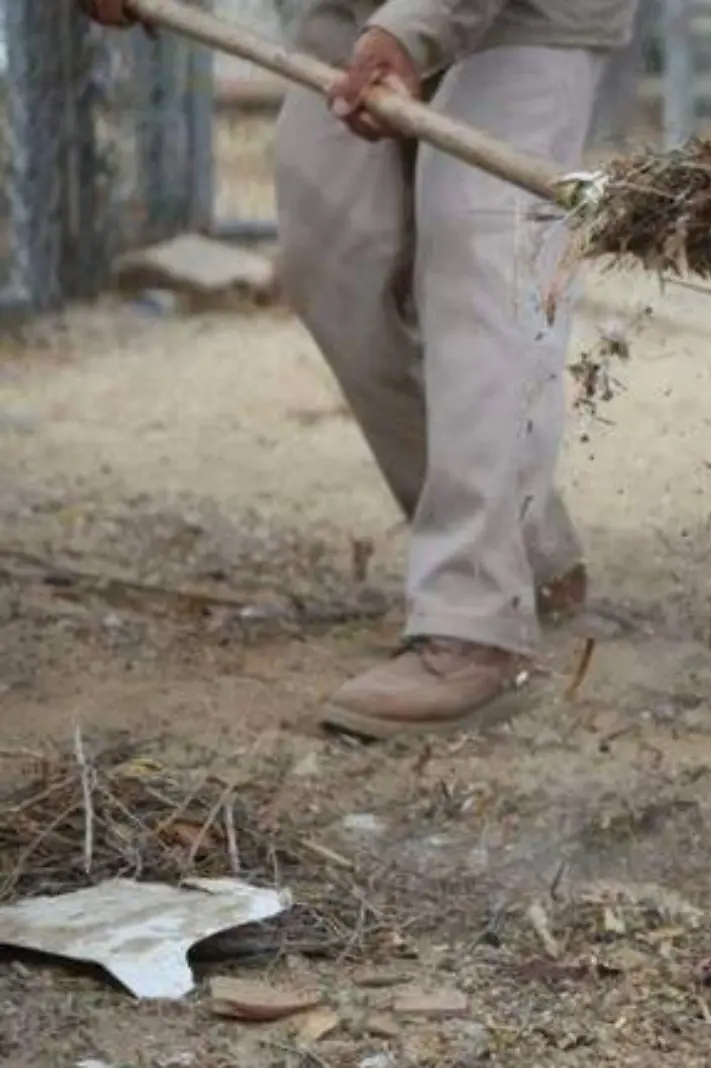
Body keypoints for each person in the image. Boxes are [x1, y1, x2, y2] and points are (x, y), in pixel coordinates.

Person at [77, 0, 636, 739]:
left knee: (481, 245)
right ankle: (526, 547)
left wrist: (410, 30)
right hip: (351, 9)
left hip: (526, 16)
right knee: (329, 251)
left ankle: (475, 625)